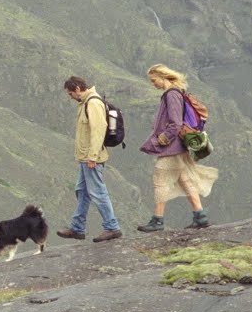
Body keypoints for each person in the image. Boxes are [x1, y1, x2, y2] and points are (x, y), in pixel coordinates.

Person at [137, 64, 219, 231]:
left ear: (163, 77)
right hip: (178, 146)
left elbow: (175, 123)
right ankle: (200, 217)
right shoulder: (175, 93)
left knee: (160, 181)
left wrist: (163, 138)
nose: (153, 84)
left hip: (171, 147)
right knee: (185, 179)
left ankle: (157, 220)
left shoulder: (172, 95)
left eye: (154, 80)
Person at [55, 76, 123, 243]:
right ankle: (77, 228)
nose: (70, 96)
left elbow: (98, 130)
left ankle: (112, 227)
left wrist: (92, 156)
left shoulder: (93, 103)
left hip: (92, 158)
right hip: (86, 157)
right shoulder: (85, 103)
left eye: (71, 93)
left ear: (78, 88)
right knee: (82, 192)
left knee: (98, 192)